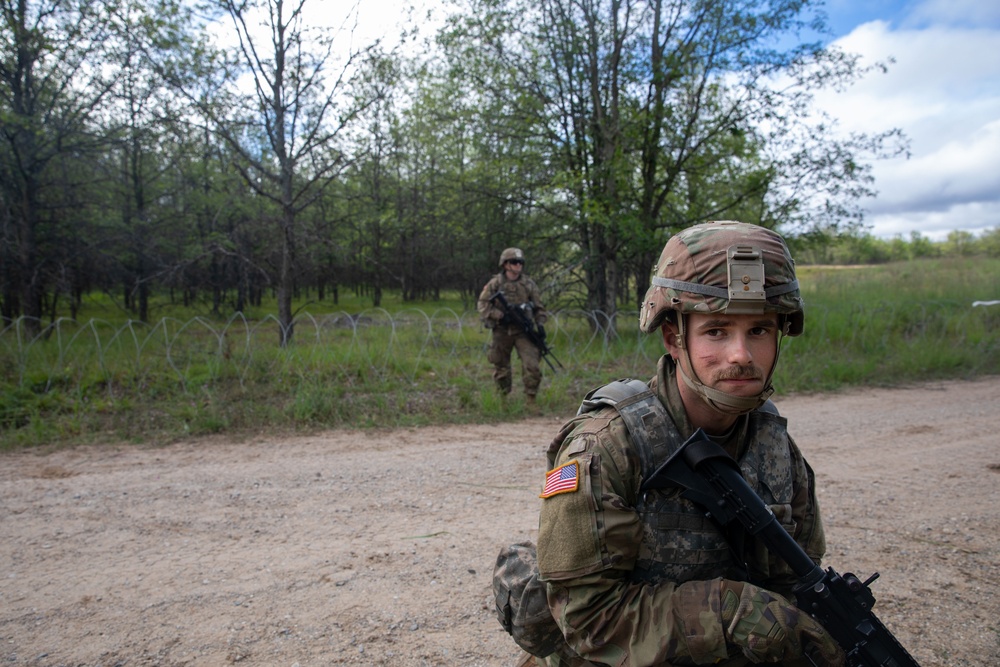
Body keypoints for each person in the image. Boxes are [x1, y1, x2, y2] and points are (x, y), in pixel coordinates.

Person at [530, 221, 845, 666]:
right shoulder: (605, 448)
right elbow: (589, 621)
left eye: (759, 330)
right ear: (674, 337)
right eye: (717, 331)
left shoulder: (774, 447)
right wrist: (729, 611)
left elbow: (793, 584)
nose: (742, 354)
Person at [478, 248, 549, 406]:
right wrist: (499, 315)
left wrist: (540, 324)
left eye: (521, 262)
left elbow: (539, 307)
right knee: (501, 366)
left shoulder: (528, 284)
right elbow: (483, 305)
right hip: (502, 330)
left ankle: (531, 400)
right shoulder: (495, 284)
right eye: (514, 262)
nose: (518, 265)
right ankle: (503, 400)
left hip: (524, 332)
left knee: (532, 366)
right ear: (505, 265)